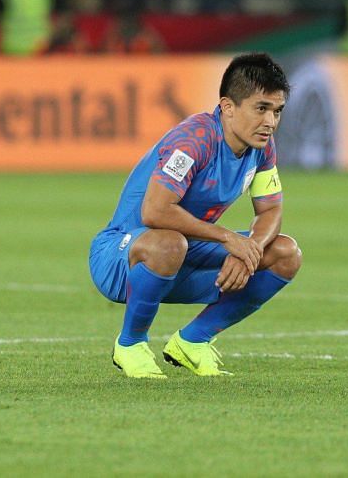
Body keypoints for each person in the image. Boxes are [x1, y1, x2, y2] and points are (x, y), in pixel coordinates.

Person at [88, 53, 302, 379]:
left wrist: (251, 249)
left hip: (187, 250)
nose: (271, 122)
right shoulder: (195, 139)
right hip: (120, 255)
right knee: (169, 243)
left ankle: (192, 341)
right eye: (261, 108)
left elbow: (271, 209)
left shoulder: (262, 147)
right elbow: (155, 211)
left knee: (285, 253)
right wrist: (231, 240)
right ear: (228, 107)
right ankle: (130, 344)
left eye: (277, 111)